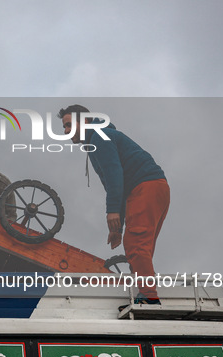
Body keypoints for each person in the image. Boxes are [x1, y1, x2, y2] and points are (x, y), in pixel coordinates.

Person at [58, 105, 170, 304]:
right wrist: (117, 228)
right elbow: (116, 184)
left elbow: (114, 176)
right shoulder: (98, 139)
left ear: (84, 121)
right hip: (152, 188)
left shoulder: (101, 137)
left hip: (146, 186)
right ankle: (145, 294)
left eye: (68, 125)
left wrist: (112, 212)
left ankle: (150, 297)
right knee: (139, 246)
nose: (65, 131)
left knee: (136, 244)